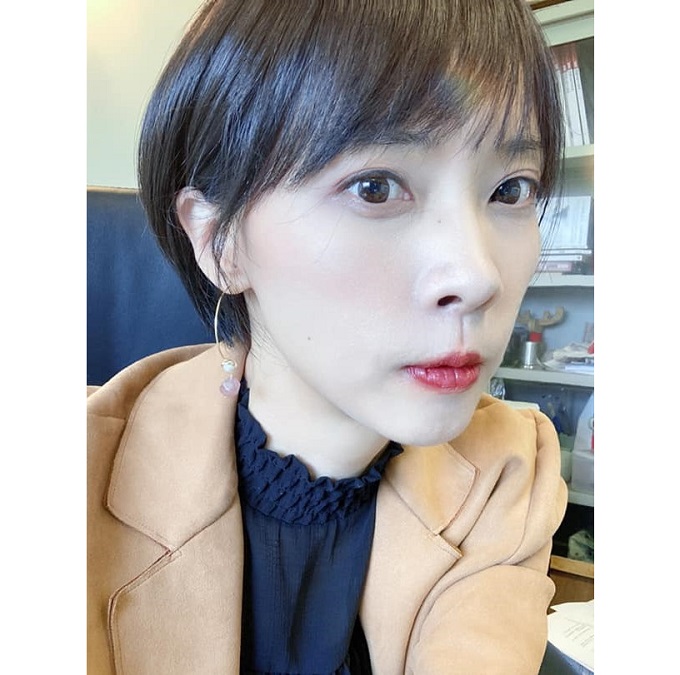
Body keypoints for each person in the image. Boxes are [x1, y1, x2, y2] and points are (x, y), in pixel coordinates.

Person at [87, 0, 568, 672]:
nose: (478, 275)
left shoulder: (506, 467)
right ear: (219, 240)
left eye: (511, 190)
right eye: (375, 187)